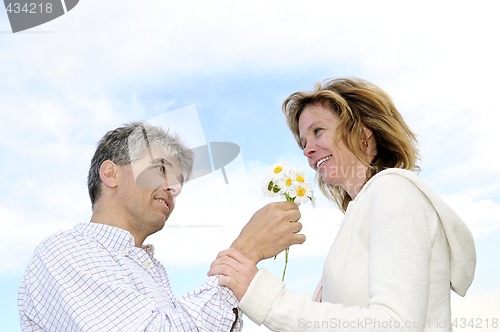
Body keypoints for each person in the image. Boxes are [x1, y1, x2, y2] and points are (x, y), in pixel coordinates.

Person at [209, 77, 477, 331]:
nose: (307, 150)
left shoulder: (394, 191)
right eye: (303, 142)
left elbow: (396, 324)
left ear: (363, 134)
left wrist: (261, 294)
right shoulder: (363, 210)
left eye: (318, 131)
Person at [18, 122, 305, 331]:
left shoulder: (149, 269)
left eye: (178, 179)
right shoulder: (67, 252)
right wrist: (245, 251)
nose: (173, 187)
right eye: (160, 169)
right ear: (110, 173)